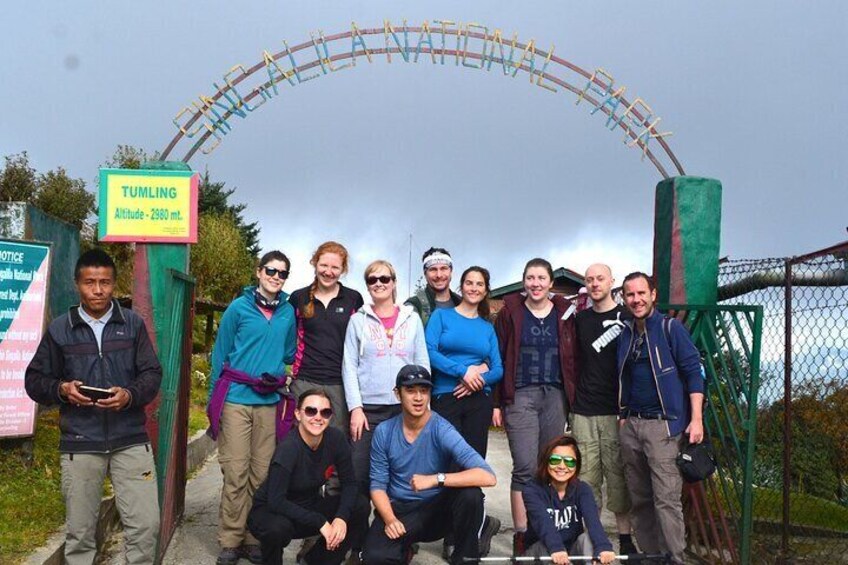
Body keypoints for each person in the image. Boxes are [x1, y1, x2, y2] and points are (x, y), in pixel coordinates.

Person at [25, 249, 162, 565]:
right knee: (81, 534)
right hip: (79, 442)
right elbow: (34, 380)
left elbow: (152, 373)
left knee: (145, 526)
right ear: (77, 284)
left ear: (115, 284)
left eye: (105, 282)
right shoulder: (61, 329)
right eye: (90, 283)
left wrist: (129, 395)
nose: (98, 290)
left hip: (130, 440)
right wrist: (62, 389)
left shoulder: (132, 325)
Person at [207, 250, 298, 565]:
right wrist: (212, 402)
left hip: (269, 401)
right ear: (259, 272)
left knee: (261, 474)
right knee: (235, 471)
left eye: (282, 273)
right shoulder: (238, 308)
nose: (276, 277)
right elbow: (219, 356)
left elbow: (289, 352)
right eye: (271, 270)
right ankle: (231, 539)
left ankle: (253, 537)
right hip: (236, 399)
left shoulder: (288, 312)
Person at [362, 365, 499, 565]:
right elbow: (377, 485)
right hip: (400, 511)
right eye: (410, 390)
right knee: (374, 558)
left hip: (437, 511)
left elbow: (488, 476)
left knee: (471, 496)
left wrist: (436, 479)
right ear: (397, 393)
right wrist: (390, 519)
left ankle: (466, 558)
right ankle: (404, 548)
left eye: (424, 391)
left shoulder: (441, 428)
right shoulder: (384, 431)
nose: (418, 397)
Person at [617, 272, 704, 565]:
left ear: (653, 294)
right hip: (633, 425)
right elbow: (624, 377)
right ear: (624, 298)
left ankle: (674, 558)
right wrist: (623, 415)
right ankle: (652, 556)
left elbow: (694, 372)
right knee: (639, 499)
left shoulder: (670, 328)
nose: (636, 300)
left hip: (664, 426)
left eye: (642, 293)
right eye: (630, 295)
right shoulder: (627, 332)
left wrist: (696, 419)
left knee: (666, 500)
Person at [492, 258, 577, 555]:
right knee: (525, 467)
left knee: (550, 466)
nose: (536, 283)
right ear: (524, 281)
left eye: (541, 278)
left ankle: (547, 528)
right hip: (521, 395)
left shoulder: (566, 313)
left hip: (555, 394)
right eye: (530, 278)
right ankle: (522, 532)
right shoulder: (510, 313)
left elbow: (573, 355)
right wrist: (497, 402)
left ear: (550, 283)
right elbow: (499, 355)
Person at [247, 389, 370, 565]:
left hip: (308, 506)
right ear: (298, 414)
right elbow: (276, 501)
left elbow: (350, 483)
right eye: (311, 411)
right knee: (277, 529)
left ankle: (317, 561)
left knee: (359, 505)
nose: (318, 417)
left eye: (325, 412)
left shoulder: (336, 439)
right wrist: (320, 522)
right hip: (271, 512)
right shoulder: (288, 448)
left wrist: (341, 518)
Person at [342, 260, 430, 496]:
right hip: (368, 410)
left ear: (394, 283)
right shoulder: (357, 320)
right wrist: (356, 408)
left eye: (384, 279)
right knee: (359, 472)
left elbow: (422, 363)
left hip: (404, 409)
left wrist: (423, 405)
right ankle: (358, 529)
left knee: (400, 473)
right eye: (372, 280)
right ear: (367, 286)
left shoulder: (411, 320)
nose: (379, 283)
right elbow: (349, 366)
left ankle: (392, 528)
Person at [572, 263, 636, 555]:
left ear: (613, 282)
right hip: (584, 410)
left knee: (618, 477)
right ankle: (593, 540)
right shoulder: (580, 320)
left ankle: (625, 539)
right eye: (590, 280)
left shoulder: (628, 317)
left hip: (617, 412)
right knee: (587, 479)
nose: (595, 283)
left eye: (600, 278)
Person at [426, 266, 503, 459]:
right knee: (446, 459)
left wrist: (477, 381)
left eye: (479, 284)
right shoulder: (441, 316)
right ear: (461, 286)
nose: (474, 288)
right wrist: (463, 372)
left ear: (485, 291)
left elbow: (498, 369)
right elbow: (429, 351)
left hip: (479, 399)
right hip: (446, 395)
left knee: (474, 460)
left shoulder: (487, 328)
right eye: (469, 283)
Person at [290, 241, 364, 433]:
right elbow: (287, 338)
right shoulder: (298, 298)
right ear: (315, 263)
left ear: (343, 270)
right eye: (324, 265)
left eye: (335, 267)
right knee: (301, 439)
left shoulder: (353, 299)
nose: (328, 272)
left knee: (335, 442)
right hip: (304, 380)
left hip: (339, 383)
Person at [522, 436, 616, 565]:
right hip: (541, 552)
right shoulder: (531, 490)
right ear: (546, 462)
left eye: (569, 462)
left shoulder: (582, 489)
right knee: (546, 548)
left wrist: (603, 547)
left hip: (570, 552)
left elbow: (593, 521)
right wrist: (557, 548)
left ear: (576, 465)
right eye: (555, 460)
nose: (562, 466)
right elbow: (543, 523)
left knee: (588, 540)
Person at [404, 247, 461, 327]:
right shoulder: (414, 305)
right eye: (433, 269)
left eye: (443, 268)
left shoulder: (462, 302)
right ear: (425, 274)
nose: (439, 275)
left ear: (451, 271)